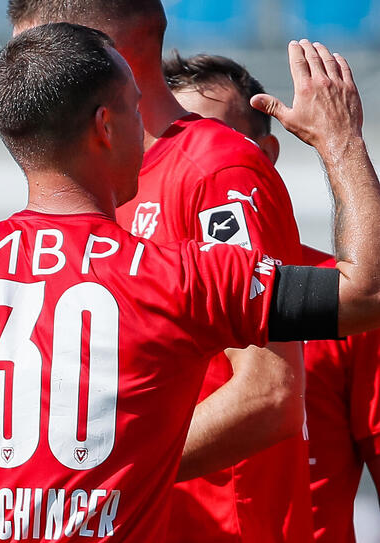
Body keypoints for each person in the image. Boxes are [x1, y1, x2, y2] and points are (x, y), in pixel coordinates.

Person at [0, 25, 380, 542]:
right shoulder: (177, 275)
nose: (154, 132)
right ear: (105, 127)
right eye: (138, 110)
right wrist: (341, 140)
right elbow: (367, 292)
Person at [9, 3, 312, 541]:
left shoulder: (216, 170)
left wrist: (94, 475)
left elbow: (269, 394)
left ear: (107, 53)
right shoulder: (93, 180)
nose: (21, 72)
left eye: (38, 50)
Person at [163, 51, 380, 543]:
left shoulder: (338, 296)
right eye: (178, 141)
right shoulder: (127, 289)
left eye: (219, 138)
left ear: (266, 152)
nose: (200, 159)